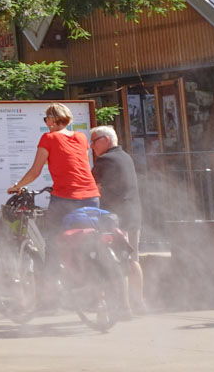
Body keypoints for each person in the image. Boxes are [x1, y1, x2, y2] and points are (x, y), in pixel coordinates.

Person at [7, 102, 100, 221]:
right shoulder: (81, 137)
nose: (46, 122)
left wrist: (17, 186)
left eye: (46, 119)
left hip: (66, 196)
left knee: (54, 235)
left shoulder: (48, 138)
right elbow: (82, 163)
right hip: (91, 196)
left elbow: (35, 171)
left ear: (51, 119)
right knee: (89, 233)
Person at [90, 125, 147, 314]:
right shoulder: (125, 156)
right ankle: (139, 302)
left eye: (94, 141)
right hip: (133, 214)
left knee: (119, 262)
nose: (92, 146)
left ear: (106, 140)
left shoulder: (105, 160)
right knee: (133, 259)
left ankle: (125, 307)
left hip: (117, 217)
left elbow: (92, 185)